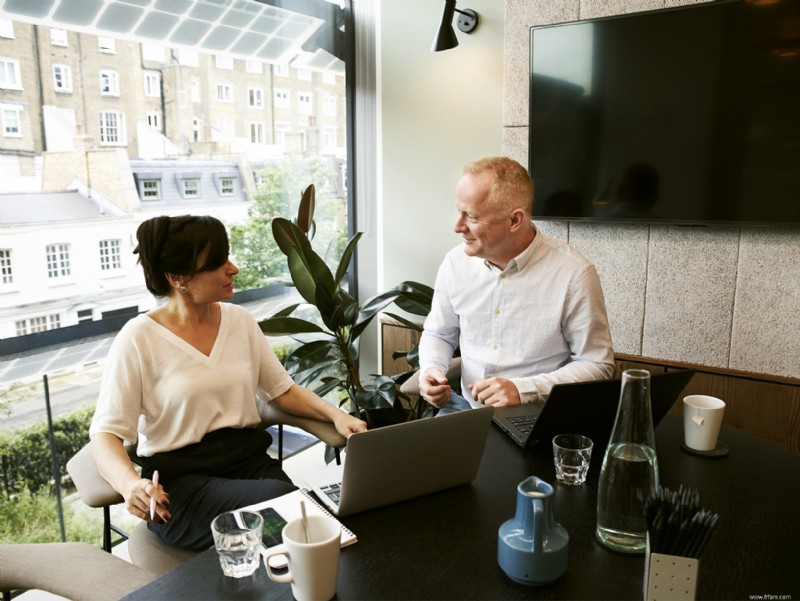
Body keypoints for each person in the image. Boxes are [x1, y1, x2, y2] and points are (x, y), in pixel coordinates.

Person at [89, 215, 366, 550]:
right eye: (218, 263)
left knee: (313, 529)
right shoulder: (138, 338)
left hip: (250, 465)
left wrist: (337, 415)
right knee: (290, 513)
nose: (232, 268)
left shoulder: (240, 321)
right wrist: (129, 484)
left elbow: (282, 391)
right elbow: (105, 434)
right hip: (184, 487)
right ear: (178, 277)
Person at [418, 157, 614, 413]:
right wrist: (432, 370)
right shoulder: (454, 264)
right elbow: (439, 333)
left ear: (514, 220)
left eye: (472, 217)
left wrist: (524, 390)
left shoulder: (574, 274)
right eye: (459, 211)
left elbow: (597, 364)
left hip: (538, 414)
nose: (457, 227)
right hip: (463, 408)